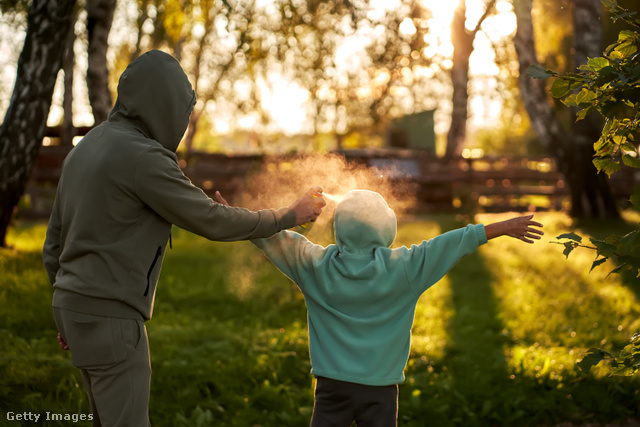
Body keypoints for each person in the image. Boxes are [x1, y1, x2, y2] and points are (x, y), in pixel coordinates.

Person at [42, 49, 325, 427]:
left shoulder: (88, 146)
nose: (185, 121)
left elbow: (53, 245)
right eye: (183, 110)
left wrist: (68, 314)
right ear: (163, 104)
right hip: (110, 316)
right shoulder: (144, 158)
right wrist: (290, 215)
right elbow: (211, 220)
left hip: (73, 308)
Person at [243, 189, 544, 427]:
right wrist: (501, 227)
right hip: (381, 390)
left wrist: (235, 216)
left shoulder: (315, 265)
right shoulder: (405, 269)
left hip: (332, 387)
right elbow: (448, 244)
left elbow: (274, 238)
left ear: (338, 228)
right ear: (387, 226)